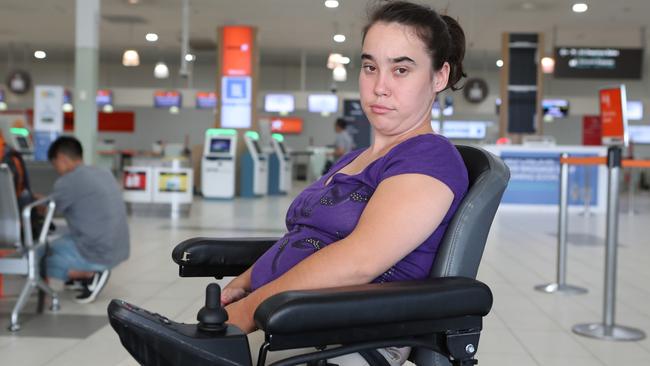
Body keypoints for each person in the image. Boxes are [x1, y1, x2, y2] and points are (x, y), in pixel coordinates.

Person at [222, 1, 468, 364]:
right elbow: (305, 237)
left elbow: (361, 261)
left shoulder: (429, 157)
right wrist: (246, 279)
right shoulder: (353, 159)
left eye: (401, 69)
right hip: (294, 324)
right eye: (370, 67)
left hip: (348, 338)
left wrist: (244, 314)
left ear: (439, 76)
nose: (379, 87)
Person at [41, 136, 130, 303]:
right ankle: (81, 276)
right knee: (62, 241)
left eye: (55, 164)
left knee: (41, 254)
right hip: (118, 247)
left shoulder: (68, 181)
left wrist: (27, 199)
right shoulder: (102, 172)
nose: (56, 170)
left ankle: (90, 274)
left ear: (62, 159)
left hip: (99, 251)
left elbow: (48, 209)